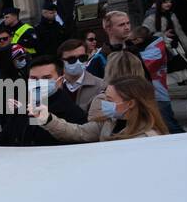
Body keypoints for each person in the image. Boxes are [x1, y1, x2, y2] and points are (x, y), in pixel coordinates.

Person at [30, 74, 168, 143]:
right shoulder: (109, 122)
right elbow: (78, 132)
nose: (104, 103)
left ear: (130, 103)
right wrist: (48, 119)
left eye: (109, 100)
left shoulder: (148, 138)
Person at [142, 0, 187, 85]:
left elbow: (179, 31)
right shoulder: (151, 18)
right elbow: (145, 35)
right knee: (170, 73)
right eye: (165, 2)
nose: (168, 4)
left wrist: (186, 44)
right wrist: (163, 35)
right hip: (162, 49)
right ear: (159, 3)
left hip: (175, 46)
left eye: (169, 1)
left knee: (182, 69)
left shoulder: (171, 15)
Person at [58, 38, 106, 112]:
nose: (78, 62)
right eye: (72, 59)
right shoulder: (52, 86)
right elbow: (35, 120)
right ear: (61, 62)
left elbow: (106, 120)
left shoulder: (102, 86)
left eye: (82, 58)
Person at [88, 10, 133, 78]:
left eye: (128, 23)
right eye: (121, 25)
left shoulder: (135, 49)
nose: (127, 27)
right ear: (108, 29)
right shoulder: (99, 59)